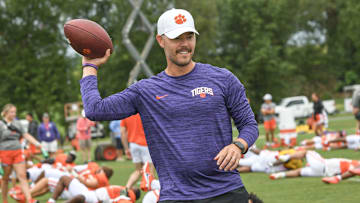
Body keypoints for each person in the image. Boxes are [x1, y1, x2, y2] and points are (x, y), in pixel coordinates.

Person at [79, 8, 258, 202]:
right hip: (176, 196)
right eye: (177, 38)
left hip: (226, 191)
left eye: (189, 37)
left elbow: (249, 124)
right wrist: (90, 67)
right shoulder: (145, 90)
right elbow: (95, 109)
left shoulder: (223, 79)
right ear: (160, 40)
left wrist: (238, 146)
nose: (185, 44)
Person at [0, 104, 42, 203]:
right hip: (5, 153)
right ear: (5, 113)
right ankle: (5, 200)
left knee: (22, 176)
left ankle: (29, 200)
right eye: (11, 112)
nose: (14, 114)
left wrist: (36, 143)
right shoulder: (1, 124)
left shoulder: (18, 123)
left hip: (18, 152)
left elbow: (26, 135)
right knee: (6, 178)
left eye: (15, 112)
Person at [269, 150, 359, 180]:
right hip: (323, 173)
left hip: (323, 165)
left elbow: (353, 170)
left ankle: (287, 157)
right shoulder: (354, 165)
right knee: (299, 172)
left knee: (307, 152)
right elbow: (352, 171)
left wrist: (338, 178)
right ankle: (278, 175)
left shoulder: (355, 164)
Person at [120, 113, 155, 190]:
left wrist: (126, 148)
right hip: (146, 144)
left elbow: (122, 133)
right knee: (150, 172)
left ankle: (126, 189)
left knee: (138, 171)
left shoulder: (126, 114)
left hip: (133, 145)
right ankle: (152, 196)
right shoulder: (146, 112)